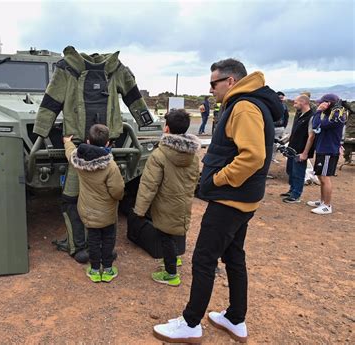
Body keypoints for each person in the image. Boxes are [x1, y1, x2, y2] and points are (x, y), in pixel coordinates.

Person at [153, 59, 283, 343]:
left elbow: (253, 156)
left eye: (214, 83)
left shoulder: (244, 106)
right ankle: (235, 318)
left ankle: (190, 323)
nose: (210, 89)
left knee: (203, 259)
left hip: (230, 199)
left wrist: (216, 180)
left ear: (231, 81)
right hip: (243, 199)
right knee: (234, 256)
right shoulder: (245, 103)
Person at [34, 46, 153, 263]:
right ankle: (107, 250)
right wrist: (145, 121)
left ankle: (78, 247)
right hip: (110, 150)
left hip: (78, 147)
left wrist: (42, 131)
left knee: (71, 200)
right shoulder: (116, 69)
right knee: (109, 199)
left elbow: (51, 102)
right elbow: (133, 96)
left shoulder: (67, 69)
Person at [133, 109, 200, 287]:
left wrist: (139, 210)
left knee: (165, 236)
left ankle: (171, 274)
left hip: (165, 203)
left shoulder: (159, 155)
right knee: (176, 229)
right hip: (182, 201)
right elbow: (194, 178)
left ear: (167, 128)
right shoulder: (192, 154)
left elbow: (149, 185)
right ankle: (175, 259)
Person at [63, 124, 124, 282]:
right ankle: (108, 269)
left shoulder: (79, 161)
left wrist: (67, 142)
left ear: (88, 141)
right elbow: (117, 191)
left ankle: (95, 270)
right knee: (108, 239)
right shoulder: (111, 166)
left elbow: (70, 154)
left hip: (88, 212)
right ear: (107, 144)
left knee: (93, 240)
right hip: (108, 213)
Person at [307, 94, 345, 215]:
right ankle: (322, 201)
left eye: (322, 103)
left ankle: (327, 205)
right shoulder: (330, 114)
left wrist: (318, 112)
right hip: (323, 148)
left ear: (328, 103)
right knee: (320, 175)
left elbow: (317, 124)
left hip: (328, 149)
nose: (319, 105)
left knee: (324, 177)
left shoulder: (337, 115)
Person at [280, 95, 315, 203]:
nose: (294, 105)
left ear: (303, 102)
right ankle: (292, 190)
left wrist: (305, 153)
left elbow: (311, 136)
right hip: (292, 149)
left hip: (300, 151)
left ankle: (296, 195)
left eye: (295, 103)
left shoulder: (311, 117)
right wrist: (284, 142)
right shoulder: (299, 115)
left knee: (298, 173)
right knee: (290, 171)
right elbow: (293, 132)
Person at [272, 91, 290, 162]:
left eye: (282, 98)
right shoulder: (272, 105)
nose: (281, 99)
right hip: (272, 127)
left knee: (276, 144)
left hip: (280, 127)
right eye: (280, 98)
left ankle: (272, 158)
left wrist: (284, 126)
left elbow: (286, 116)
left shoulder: (284, 106)